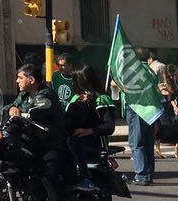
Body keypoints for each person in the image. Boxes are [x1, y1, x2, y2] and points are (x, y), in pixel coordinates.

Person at [4, 63, 75, 201]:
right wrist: (11, 108)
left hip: (50, 145)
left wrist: (23, 113)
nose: (17, 81)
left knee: (47, 177)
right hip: (31, 142)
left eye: (20, 77)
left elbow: (37, 110)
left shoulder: (46, 94)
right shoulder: (24, 94)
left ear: (31, 79)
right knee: (6, 164)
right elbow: (13, 105)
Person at [65, 65, 116, 188]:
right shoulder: (75, 98)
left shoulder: (102, 99)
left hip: (93, 143)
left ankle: (84, 177)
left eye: (75, 81)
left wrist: (89, 131)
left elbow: (109, 126)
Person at [124, 48, 163, 186]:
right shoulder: (151, 71)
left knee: (137, 143)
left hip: (136, 108)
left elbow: (124, 85)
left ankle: (142, 175)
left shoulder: (133, 71)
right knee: (147, 143)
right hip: (150, 110)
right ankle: (148, 172)